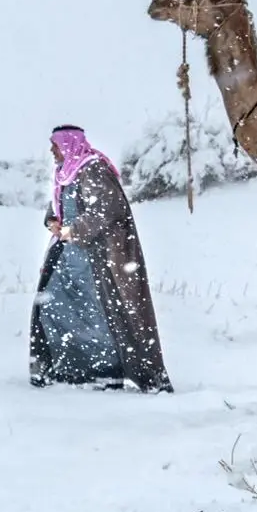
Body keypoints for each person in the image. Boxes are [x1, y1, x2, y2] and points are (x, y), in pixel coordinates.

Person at [29, 125, 172, 392]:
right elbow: (57, 206)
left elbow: (107, 209)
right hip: (66, 256)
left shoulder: (93, 169)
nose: (52, 150)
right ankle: (70, 370)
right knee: (53, 307)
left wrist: (76, 229)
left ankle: (104, 373)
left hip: (95, 259)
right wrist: (52, 222)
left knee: (97, 314)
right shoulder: (64, 173)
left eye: (55, 145)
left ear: (69, 144)